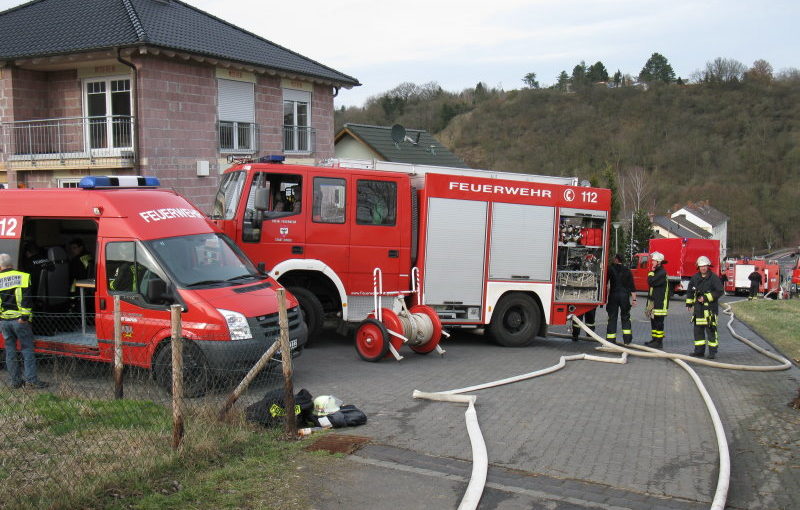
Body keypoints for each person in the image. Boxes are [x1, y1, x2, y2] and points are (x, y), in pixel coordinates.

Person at [0, 253, 49, 389]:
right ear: (12, 264)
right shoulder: (23, 276)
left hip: (4, 321)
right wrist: (24, 317)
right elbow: (27, 298)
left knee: (10, 351)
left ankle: (15, 381)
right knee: (27, 349)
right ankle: (31, 381)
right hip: (20, 321)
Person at [686, 256, 724, 359]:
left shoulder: (714, 278)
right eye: (701, 266)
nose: (703, 268)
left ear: (708, 266)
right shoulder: (695, 278)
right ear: (698, 267)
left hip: (710, 310)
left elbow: (720, 291)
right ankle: (699, 351)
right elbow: (690, 290)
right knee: (698, 332)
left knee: (711, 331)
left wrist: (706, 297)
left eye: (705, 266)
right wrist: (689, 303)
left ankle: (712, 352)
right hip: (698, 310)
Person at [605, 253, 636, 345]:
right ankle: (627, 340)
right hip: (624, 297)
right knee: (626, 317)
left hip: (613, 296)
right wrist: (634, 300)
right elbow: (632, 287)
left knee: (612, 318)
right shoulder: (628, 270)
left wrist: (604, 297)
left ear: (616, 260)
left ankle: (610, 340)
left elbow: (605, 283)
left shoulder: (610, 269)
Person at [644, 251, 670, 348]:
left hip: (660, 303)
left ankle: (659, 342)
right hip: (655, 301)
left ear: (659, 262)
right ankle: (654, 339)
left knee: (659, 322)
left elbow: (650, 282)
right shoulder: (658, 272)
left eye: (654, 260)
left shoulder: (661, 273)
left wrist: (650, 272)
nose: (652, 262)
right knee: (653, 321)